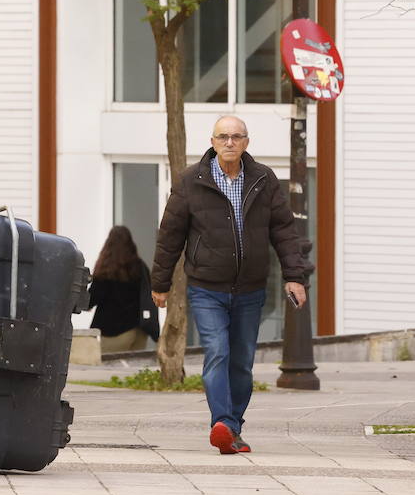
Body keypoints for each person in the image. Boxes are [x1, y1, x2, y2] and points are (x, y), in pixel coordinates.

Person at [151, 115, 313, 455]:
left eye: (236, 137)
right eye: (223, 136)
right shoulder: (191, 180)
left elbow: (284, 231)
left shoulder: (263, 179)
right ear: (212, 142)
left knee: (242, 362)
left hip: (250, 289)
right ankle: (221, 422)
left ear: (246, 143)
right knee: (218, 352)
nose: (229, 142)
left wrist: (295, 276)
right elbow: (170, 235)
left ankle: (231, 429)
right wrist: (160, 282)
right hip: (206, 287)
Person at [87, 225, 160, 353]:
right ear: (130, 243)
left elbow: (90, 301)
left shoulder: (106, 270)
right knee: (134, 370)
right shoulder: (140, 267)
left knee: (109, 370)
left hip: (113, 332)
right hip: (139, 331)